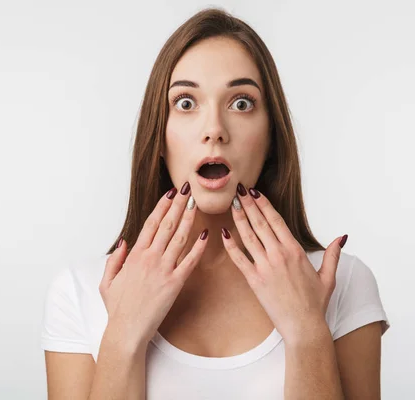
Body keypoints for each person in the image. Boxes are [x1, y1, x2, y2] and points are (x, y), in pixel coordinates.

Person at [41, 7, 390, 400]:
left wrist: (308, 331)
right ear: (159, 137)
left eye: (241, 103)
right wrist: (122, 335)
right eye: (186, 103)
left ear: (272, 136)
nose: (214, 131)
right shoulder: (80, 292)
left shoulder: (341, 284)